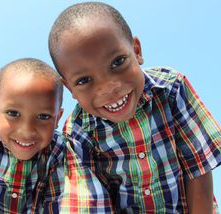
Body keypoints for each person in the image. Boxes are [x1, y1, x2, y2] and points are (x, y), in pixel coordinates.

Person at [48, 2, 221, 213]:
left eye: (117, 62)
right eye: (84, 80)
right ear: (69, 88)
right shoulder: (77, 132)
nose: (108, 88)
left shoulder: (171, 89)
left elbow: (198, 168)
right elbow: (89, 202)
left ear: (136, 50)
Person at [0, 58, 115, 214]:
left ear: (57, 119)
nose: (27, 130)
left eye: (43, 117)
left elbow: (82, 202)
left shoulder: (63, 153)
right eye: (13, 113)